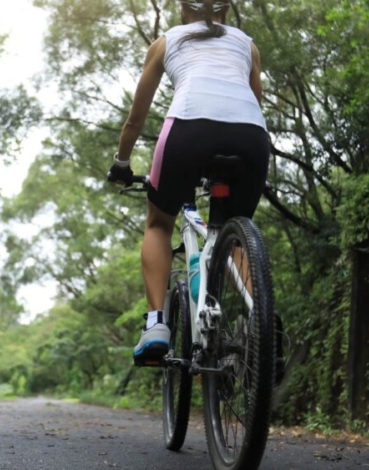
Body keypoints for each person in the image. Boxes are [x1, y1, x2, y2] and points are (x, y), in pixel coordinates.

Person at [108, 0, 270, 366]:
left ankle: (156, 325)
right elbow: (254, 105)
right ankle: (261, 318)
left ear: (183, 8)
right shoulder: (247, 44)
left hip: (188, 130)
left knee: (158, 222)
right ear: (226, 9)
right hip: (251, 139)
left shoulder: (168, 41)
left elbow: (136, 119)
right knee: (236, 237)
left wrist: (121, 163)